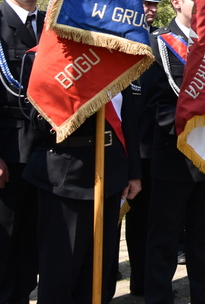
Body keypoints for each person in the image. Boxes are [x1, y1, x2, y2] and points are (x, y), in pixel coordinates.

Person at [141, 0, 205, 304]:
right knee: (164, 236)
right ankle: (158, 297)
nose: (201, 1)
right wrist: (188, 129)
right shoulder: (158, 44)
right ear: (176, 2)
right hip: (174, 155)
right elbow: (155, 103)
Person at [25, 88, 141, 304]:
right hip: (64, 174)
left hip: (110, 171)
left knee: (98, 269)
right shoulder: (40, 57)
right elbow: (36, 120)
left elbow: (128, 116)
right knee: (60, 269)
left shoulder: (113, 57)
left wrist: (134, 172)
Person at [0, 0, 45, 304]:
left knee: (33, 240)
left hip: (49, 151)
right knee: (5, 240)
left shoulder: (53, 25)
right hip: (9, 153)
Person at [123, 0, 163, 296]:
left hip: (156, 144)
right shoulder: (121, 40)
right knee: (132, 221)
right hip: (128, 146)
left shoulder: (159, 41)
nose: (149, 9)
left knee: (153, 219)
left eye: (153, 4)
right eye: (144, 2)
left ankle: (146, 281)